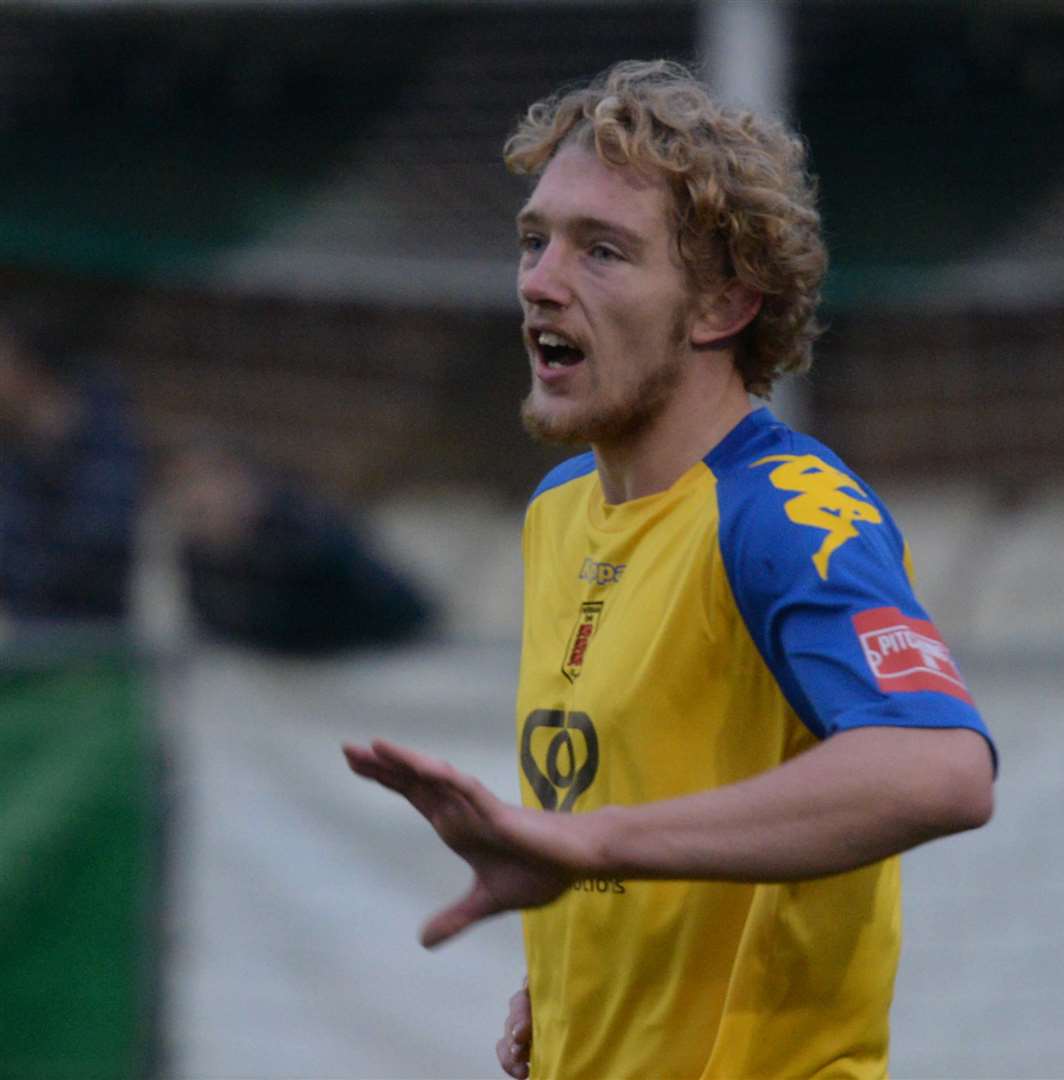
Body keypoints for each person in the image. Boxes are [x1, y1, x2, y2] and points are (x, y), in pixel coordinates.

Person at [344, 59, 997, 1079]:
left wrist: (592, 846)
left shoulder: (782, 511)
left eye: (601, 251)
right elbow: (640, 819)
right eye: (533, 240)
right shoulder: (559, 512)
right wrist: (569, 992)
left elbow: (940, 770)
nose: (539, 281)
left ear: (721, 305)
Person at [165, 439, 436, 657]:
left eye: (205, 481)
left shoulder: (310, 539)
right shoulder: (198, 554)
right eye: (183, 483)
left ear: (243, 483)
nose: (195, 496)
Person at [0, 312, 142, 628]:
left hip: (103, 642)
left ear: (30, 368)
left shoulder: (111, 442)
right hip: (27, 641)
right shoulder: (13, 449)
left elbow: (98, 547)